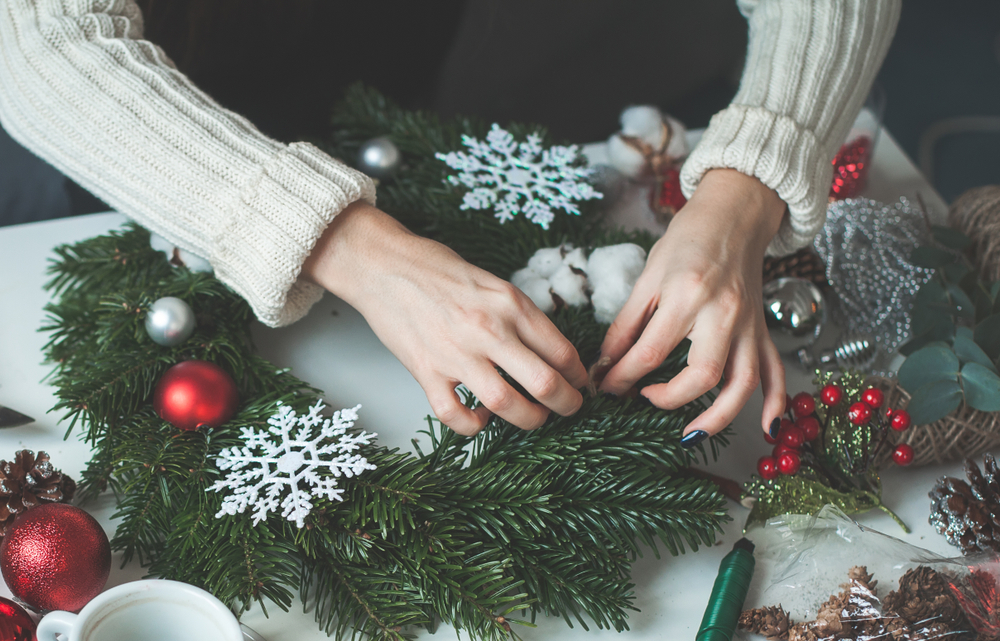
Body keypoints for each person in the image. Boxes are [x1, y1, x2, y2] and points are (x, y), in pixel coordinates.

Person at [0, 0, 900, 445]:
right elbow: (41, 45)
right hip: (116, 131)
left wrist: (746, 189)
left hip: (377, 67)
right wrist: (350, 245)